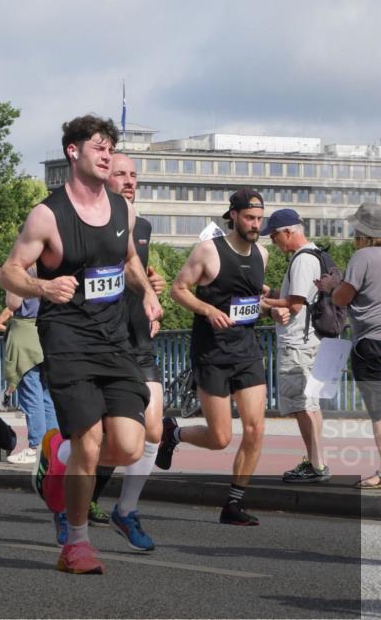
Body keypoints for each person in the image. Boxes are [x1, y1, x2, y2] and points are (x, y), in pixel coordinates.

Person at [0, 115, 161, 574]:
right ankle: (76, 543)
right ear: (74, 152)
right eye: (98, 146)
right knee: (90, 441)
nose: (107, 154)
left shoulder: (122, 209)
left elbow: (128, 258)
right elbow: (13, 270)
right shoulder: (48, 214)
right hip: (67, 338)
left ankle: (59, 456)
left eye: (110, 147)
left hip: (115, 341)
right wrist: (43, 289)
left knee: (130, 446)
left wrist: (148, 294)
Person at [160, 189, 270, 525]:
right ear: (233, 216)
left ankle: (233, 504)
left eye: (259, 219)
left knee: (255, 429)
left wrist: (270, 310)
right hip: (212, 353)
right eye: (249, 218)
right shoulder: (209, 250)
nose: (255, 225)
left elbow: (248, 302)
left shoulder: (263, 254)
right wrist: (207, 309)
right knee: (220, 438)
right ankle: (173, 434)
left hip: (247, 351)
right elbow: (178, 289)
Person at [95, 152, 169, 550]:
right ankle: (71, 484)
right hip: (101, 339)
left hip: (138, 339)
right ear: (104, 178)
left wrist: (149, 293)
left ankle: (126, 510)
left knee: (152, 429)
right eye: (119, 173)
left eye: (133, 175)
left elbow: (135, 267)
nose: (128, 180)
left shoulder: (143, 224)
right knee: (109, 435)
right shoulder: (89, 222)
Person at [261, 209, 331, 483]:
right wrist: (273, 294)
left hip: (297, 343)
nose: (274, 242)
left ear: (288, 232)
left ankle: (316, 465)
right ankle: (318, 462)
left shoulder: (302, 259)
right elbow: (297, 297)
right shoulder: (315, 254)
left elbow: (296, 304)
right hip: (311, 340)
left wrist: (262, 304)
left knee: (302, 405)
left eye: (275, 235)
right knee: (311, 404)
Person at [317, 202, 381, 489]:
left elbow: (343, 299)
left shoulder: (362, 257)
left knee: (379, 413)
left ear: (363, 231)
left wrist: (332, 286)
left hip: (370, 344)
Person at [0, 262, 57, 466]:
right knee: (47, 396)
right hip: (48, 332)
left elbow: (13, 303)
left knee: (31, 393)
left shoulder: (22, 267)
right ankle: (53, 448)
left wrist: (6, 282)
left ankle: (35, 447)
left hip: (25, 332)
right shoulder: (52, 266)